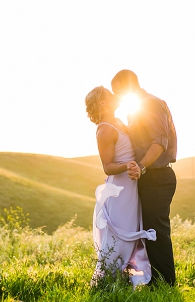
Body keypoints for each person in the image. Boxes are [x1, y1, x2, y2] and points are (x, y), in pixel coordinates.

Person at [85, 85, 156, 287]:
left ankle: (124, 278)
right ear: (102, 102)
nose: (115, 95)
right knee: (119, 237)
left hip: (132, 187)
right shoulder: (105, 129)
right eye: (110, 94)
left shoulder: (117, 122)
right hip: (119, 191)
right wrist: (127, 165)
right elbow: (107, 167)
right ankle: (105, 284)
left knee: (132, 233)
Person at [111, 69, 178, 286]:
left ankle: (165, 284)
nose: (118, 98)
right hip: (149, 178)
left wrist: (140, 166)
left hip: (158, 177)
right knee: (149, 233)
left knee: (156, 232)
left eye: (118, 92)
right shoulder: (136, 109)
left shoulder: (150, 104)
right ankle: (155, 279)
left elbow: (160, 142)